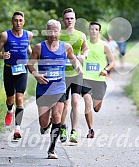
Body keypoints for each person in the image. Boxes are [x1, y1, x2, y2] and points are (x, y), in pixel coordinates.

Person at [27, 19, 83, 159]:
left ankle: (52, 149)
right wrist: (36, 75)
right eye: (50, 31)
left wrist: (78, 67)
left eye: (56, 31)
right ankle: (46, 125)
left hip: (59, 87)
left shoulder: (66, 47)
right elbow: (30, 64)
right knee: (44, 123)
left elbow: (73, 59)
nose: (53, 34)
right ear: (47, 31)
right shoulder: (39, 47)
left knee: (57, 115)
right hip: (44, 89)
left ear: (60, 32)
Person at [0, 11, 33, 139]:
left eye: (20, 20)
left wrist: (33, 57)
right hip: (9, 69)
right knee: (10, 99)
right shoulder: (5, 35)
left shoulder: (29, 35)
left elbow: (29, 49)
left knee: (20, 99)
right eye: (16, 20)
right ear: (12, 21)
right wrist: (3, 55)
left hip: (22, 70)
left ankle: (17, 129)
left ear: (24, 21)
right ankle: (10, 110)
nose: (18, 23)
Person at [59, 8, 89, 143]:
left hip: (76, 72)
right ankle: (63, 127)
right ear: (63, 20)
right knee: (65, 104)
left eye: (72, 18)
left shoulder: (81, 35)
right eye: (67, 18)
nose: (69, 20)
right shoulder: (58, 35)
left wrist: (83, 56)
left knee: (76, 102)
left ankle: (74, 131)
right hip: (62, 74)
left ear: (75, 20)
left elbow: (86, 48)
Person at [82, 21, 116, 138]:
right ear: (89, 31)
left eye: (96, 29)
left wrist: (106, 70)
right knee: (87, 101)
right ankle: (90, 129)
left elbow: (113, 62)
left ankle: (95, 99)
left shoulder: (104, 45)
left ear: (99, 32)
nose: (94, 31)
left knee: (96, 108)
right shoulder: (84, 44)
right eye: (92, 29)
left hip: (99, 80)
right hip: (85, 78)